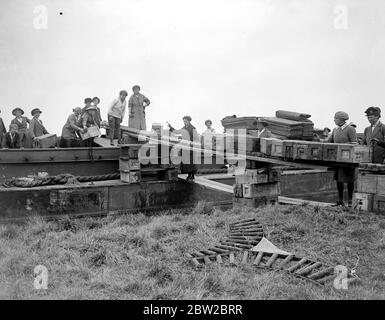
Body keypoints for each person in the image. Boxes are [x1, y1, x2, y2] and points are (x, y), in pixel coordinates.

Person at [327, 111, 357, 207]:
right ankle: (340, 200)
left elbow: (354, 143)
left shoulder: (350, 129)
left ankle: (350, 201)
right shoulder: (335, 130)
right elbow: (329, 142)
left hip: (348, 160)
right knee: (339, 180)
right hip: (337, 159)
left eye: (335, 118)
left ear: (341, 120)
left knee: (349, 180)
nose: (334, 120)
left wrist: (342, 146)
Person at [169, 116, 199, 181]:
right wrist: (171, 128)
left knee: (191, 162)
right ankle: (189, 175)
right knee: (186, 162)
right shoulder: (183, 128)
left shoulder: (193, 128)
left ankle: (192, 175)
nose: (184, 122)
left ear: (189, 121)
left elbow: (196, 138)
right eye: (184, 121)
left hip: (191, 147)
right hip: (185, 147)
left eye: (185, 121)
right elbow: (177, 132)